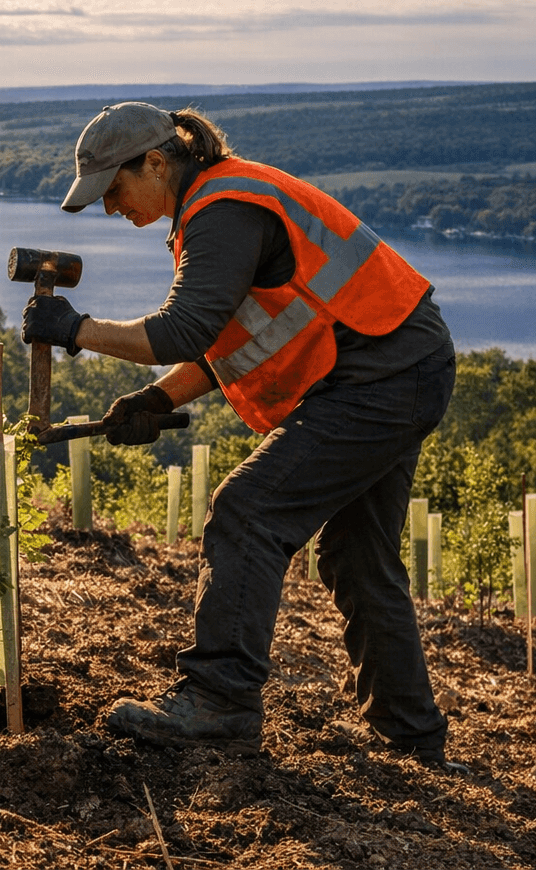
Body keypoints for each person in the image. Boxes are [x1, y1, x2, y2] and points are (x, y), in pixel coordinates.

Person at [23, 102, 456, 765]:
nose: (112, 208)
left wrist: (74, 330)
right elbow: (228, 338)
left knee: (246, 513)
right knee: (359, 557)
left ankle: (219, 698)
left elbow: (180, 330)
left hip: (381, 376)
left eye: (114, 188)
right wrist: (156, 396)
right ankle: (413, 737)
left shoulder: (223, 209)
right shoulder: (217, 205)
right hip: (396, 365)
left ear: (158, 162)